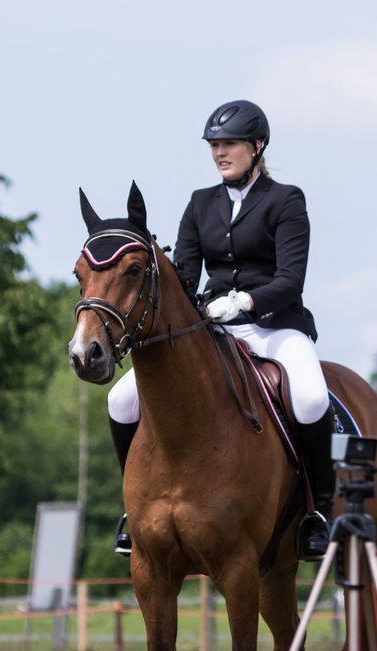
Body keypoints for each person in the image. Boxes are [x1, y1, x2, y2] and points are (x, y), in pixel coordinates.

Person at [107, 99, 335, 559]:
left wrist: (246, 302)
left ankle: (318, 510)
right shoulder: (199, 203)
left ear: (257, 146)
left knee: (311, 397)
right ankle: (135, 507)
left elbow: (291, 280)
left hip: (274, 326)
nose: (220, 152)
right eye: (215, 145)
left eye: (229, 144)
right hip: (212, 327)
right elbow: (186, 276)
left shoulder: (286, 200)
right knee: (120, 398)